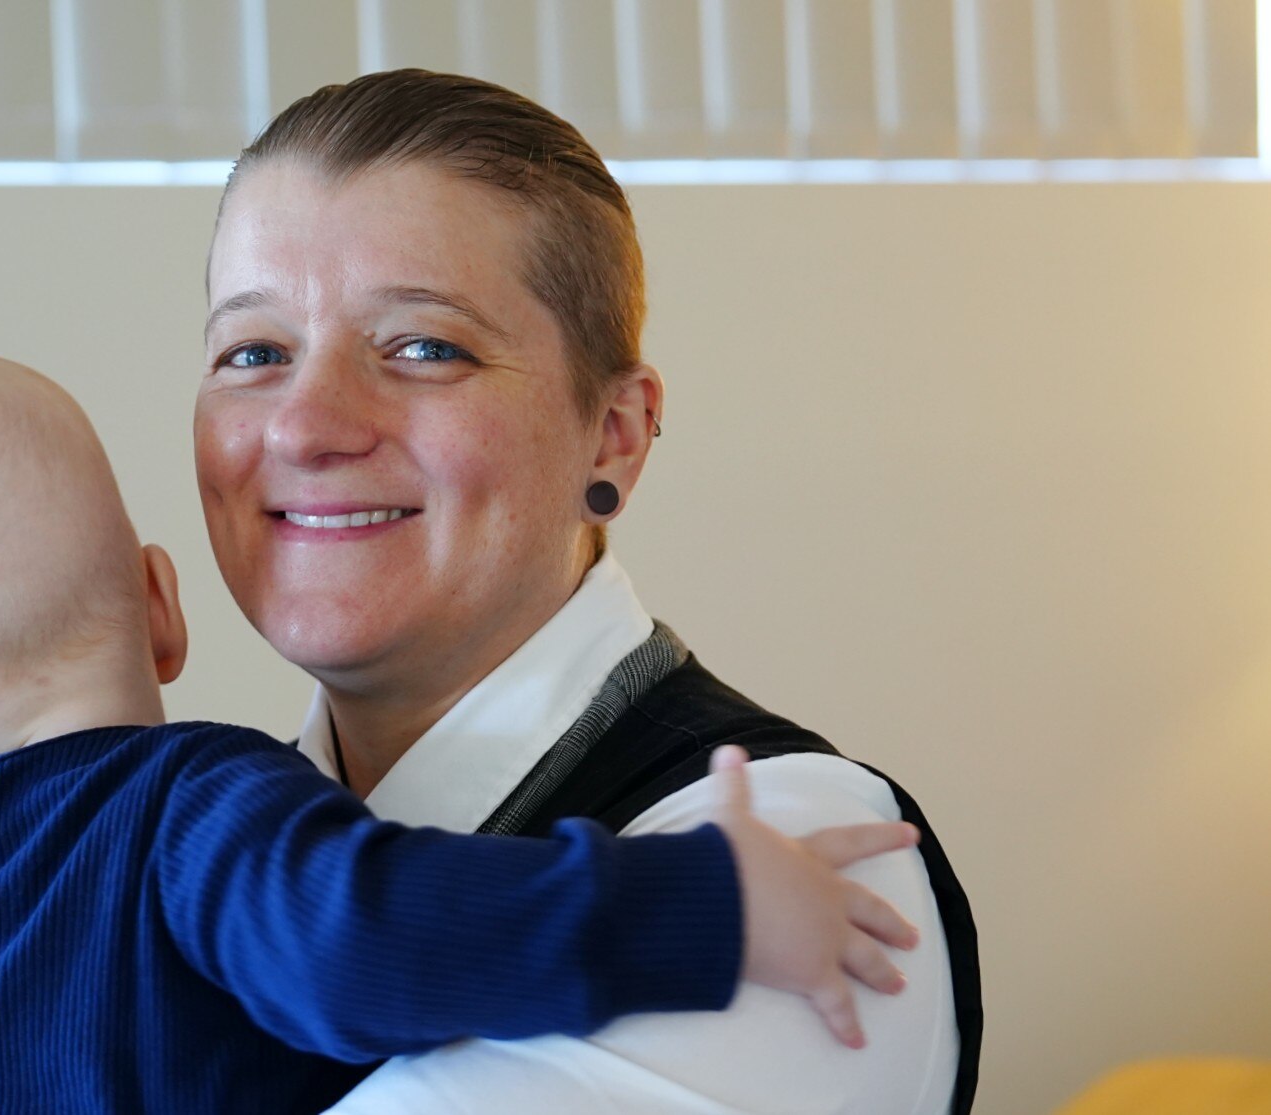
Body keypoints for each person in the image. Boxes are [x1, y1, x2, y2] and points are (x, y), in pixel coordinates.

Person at [0, 352, 923, 1114]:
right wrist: (713, 907)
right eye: (253, 352)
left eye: (423, 347)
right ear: (163, 608)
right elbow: (379, 939)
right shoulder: (198, 810)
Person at [195, 69, 982, 1114]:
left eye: (424, 347)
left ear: (613, 432)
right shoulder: (188, 853)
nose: (304, 425)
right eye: (254, 351)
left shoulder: (786, 867)